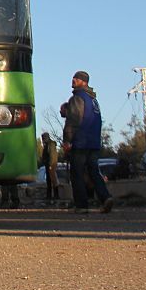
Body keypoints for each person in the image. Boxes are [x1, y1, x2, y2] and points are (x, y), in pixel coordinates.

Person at [62, 70, 113, 214]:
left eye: (77, 78)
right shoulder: (93, 100)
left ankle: (81, 205)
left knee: (77, 173)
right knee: (93, 172)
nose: (73, 80)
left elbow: (74, 119)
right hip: (94, 142)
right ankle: (105, 197)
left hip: (80, 142)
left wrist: (67, 140)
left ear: (84, 82)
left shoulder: (78, 98)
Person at [40, 132, 59, 203]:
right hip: (48, 164)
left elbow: (52, 155)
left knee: (53, 180)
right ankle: (49, 195)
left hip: (51, 164)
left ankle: (55, 195)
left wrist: (51, 165)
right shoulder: (47, 145)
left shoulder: (50, 144)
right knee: (49, 180)